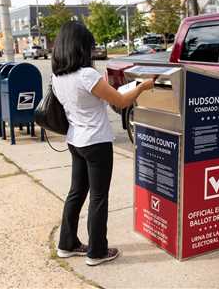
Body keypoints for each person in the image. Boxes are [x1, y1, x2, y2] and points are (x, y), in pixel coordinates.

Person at [52, 21, 154, 266]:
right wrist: (142, 87)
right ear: (80, 47)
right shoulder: (86, 75)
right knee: (98, 197)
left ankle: (67, 244)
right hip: (96, 143)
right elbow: (119, 101)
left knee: (76, 193)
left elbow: (100, 100)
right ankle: (97, 251)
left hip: (75, 141)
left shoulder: (57, 76)